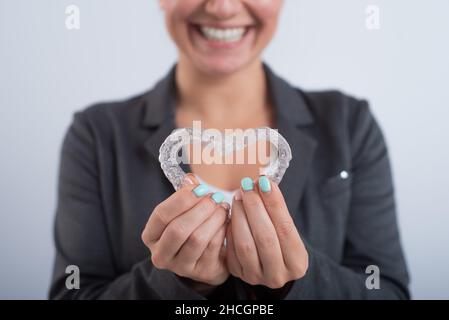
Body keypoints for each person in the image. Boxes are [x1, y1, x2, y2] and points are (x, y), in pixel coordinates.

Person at [49, 0, 410, 299]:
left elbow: (387, 292)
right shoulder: (96, 135)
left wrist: (301, 279)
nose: (222, 8)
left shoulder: (349, 124)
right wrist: (173, 283)